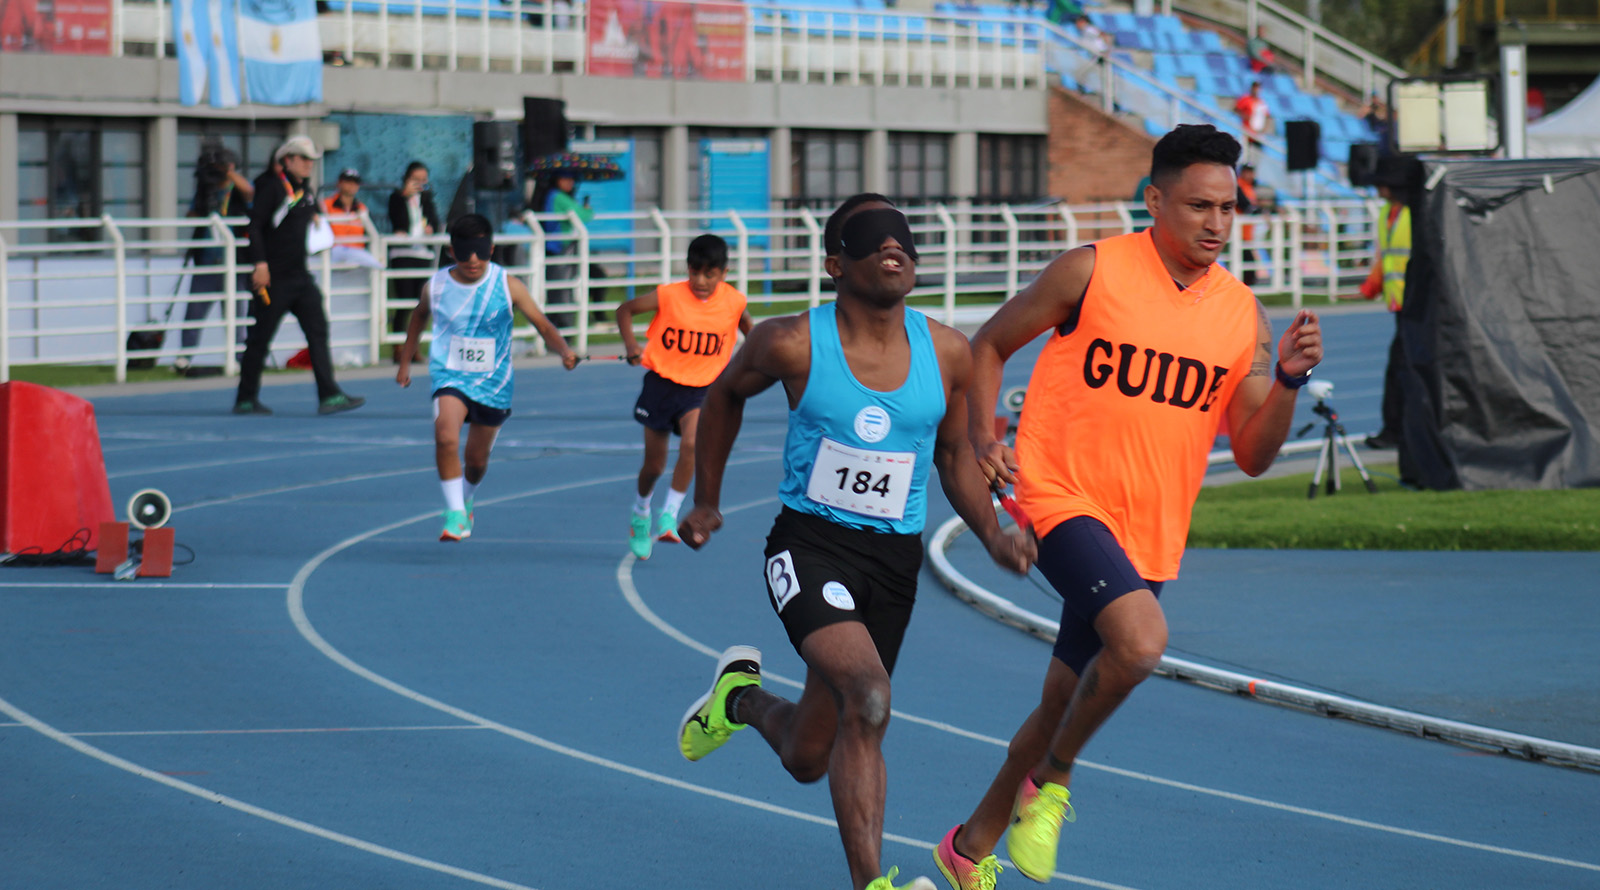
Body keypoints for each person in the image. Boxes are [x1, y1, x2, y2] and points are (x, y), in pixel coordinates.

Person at [930, 125, 1322, 889]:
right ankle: (1054, 782)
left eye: (1228, 208)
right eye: (1198, 205)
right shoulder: (1092, 270)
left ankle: (967, 850)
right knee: (1140, 645)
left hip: (1150, 530)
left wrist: (1288, 386)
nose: (1216, 223)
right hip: (1062, 494)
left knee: (1060, 698)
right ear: (1155, 200)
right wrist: (984, 434)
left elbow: (1251, 452)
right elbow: (988, 344)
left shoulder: (1244, 316)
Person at [674, 194, 1037, 890]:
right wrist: (708, 503)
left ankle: (740, 700)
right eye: (873, 240)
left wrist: (993, 534)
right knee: (868, 697)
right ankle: (872, 884)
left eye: (903, 240)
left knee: (810, 753)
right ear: (836, 265)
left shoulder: (949, 352)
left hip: (893, 564)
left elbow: (954, 454)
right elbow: (722, 397)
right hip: (809, 546)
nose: (893, 248)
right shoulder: (792, 342)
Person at [395, 214, 579, 541]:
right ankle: (453, 514)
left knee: (476, 461)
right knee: (445, 436)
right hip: (449, 375)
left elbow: (543, 325)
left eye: (481, 252)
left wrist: (563, 350)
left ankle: (465, 498)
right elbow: (419, 316)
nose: (473, 260)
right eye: (465, 253)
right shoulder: (436, 286)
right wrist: (405, 362)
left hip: (493, 383)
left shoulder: (508, 285)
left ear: (491, 249)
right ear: (452, 252)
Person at [615, 233, 753, 560]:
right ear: (687, 268)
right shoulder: (669, 296)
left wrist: (742, 367)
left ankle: (669, 512)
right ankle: (641, 511)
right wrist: (632, 346)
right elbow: (625, 310)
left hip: (702, 388)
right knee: (654, 464)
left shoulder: (734, 302)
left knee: (692, 443)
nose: (701, 281)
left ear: (724, 272)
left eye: (710, 274)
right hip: (662, 385)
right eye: (695, 272)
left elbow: (754, 335)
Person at [233, 135, 365, 417]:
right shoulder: (270, 187)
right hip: (273, 278)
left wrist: (316, 218)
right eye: (304, 159)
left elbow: (309, 214)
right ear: (288, 160)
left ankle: (329, 394)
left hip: (300, 276)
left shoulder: (305, 189)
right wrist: (260, 263)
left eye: (311, 160)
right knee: (260, 337)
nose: (309, 165)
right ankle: (245, 398)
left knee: (318, 330)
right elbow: (254, 227)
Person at [176, 139, 254, 375]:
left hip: (234, 261)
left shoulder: (237, 189)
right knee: (195, 311)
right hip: (207, 261)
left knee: (235, 313)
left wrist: (229, 173)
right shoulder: (204, 189)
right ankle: (184, 356)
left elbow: (251, 193)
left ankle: (240, 356)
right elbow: (191, 215)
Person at [1358, 181, 1409, 451]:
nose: (1376, 185)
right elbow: (1386, 257)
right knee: (1400, 370)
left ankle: (1397, 431)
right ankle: (1397, 430)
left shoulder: (1413, 212)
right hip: (1401, 304)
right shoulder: (1387, 212)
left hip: (1416, 304)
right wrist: (1372, 286)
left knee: (1401, 371)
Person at [389, 161, 442, 360]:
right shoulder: (396, 198)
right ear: (407, 179)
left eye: (423, 180)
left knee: (422, 304)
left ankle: (414, 347)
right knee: (403, 303)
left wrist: (431, 229)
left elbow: (435, 222)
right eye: (416, 180)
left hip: (422, 254)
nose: (420, 184)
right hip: (403, 254)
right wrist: (405, 196)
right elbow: (398, 222)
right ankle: (397, 347)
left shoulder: (427, 199)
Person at [538, 172, 594, 328]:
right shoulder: (558, 197)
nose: (569, 182)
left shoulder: (556, 196)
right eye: (565, 178)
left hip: (558, 247)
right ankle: (562, 327)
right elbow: (582, 215)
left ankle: (560, 327)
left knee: (560, 289)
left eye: (572, 178)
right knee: (561, 290)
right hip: (558, 248)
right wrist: (587, 210)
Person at [1233, 80, 1273, 160]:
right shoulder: (1246, 99)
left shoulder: (1261, 103)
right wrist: (1244, 115)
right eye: (1255, 87)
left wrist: (1265, 128)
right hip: (1247, 131)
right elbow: (1236, 109)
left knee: (1255, 156)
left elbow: (1266, 116)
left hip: (1258, 133)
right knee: (1245, 155)